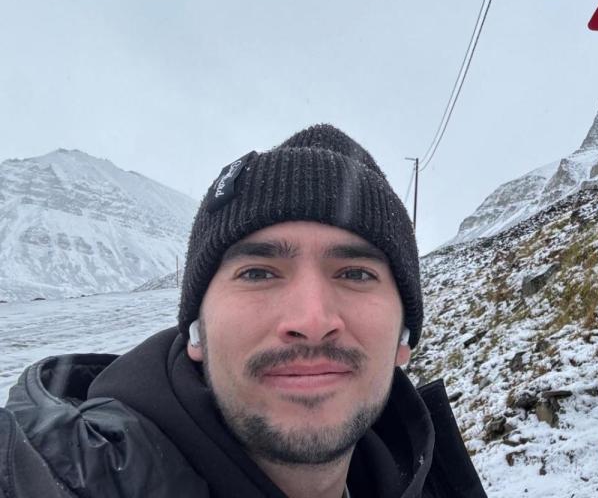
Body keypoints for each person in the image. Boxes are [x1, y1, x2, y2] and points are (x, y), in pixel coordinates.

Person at [0, 124, 487, 498]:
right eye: (258, 273)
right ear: (196, 332)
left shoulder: (425, 480)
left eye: (355, 274)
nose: (312, 319)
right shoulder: (39, 476)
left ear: (404, 339)